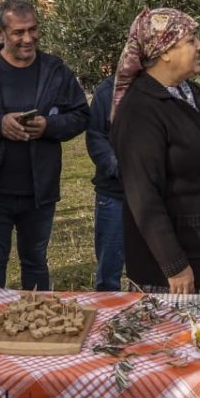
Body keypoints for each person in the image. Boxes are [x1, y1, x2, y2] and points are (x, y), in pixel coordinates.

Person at [0, 0, 88, 291]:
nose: (28, 38)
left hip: (40, 190)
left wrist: (49, 126)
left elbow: (80, 115)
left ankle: (37, 319)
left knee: (36, 262)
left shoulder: (55, 71)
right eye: (18, 32)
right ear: (0, 32)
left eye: (33, 29)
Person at [108, 7, 200, 294]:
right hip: (176, 271)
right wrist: (174, 264)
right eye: (191, 40)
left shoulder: (195, 96)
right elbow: (143, 196)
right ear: (165, 51)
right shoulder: (141, 110)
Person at [85, 74, 125, 291]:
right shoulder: (107, 91)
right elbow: (95, 137)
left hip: (154, 196)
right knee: (109, 271)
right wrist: (119, 168)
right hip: (114, 194)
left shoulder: (163, 89)